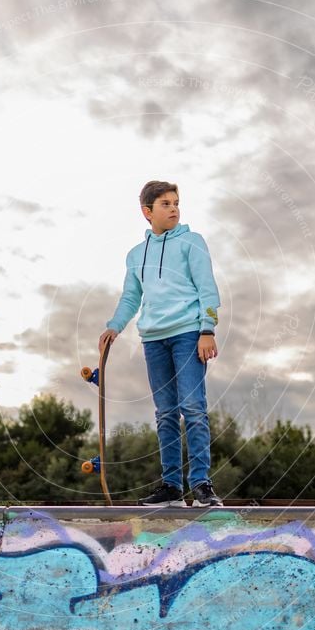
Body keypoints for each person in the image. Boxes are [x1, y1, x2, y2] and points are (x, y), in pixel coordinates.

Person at [98, 180, 222, 508]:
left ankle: (201, 483)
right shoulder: (136, 255)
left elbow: (207, 287)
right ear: (147, 212)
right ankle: (170, 486)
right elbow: (131, 296)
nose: (174, 209)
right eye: (165, 204)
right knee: (165, 413)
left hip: (188, 335)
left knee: (193, 407)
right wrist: (114, 326)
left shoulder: (192, 242)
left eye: (176, 202)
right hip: (153, 340)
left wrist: (206, 329)